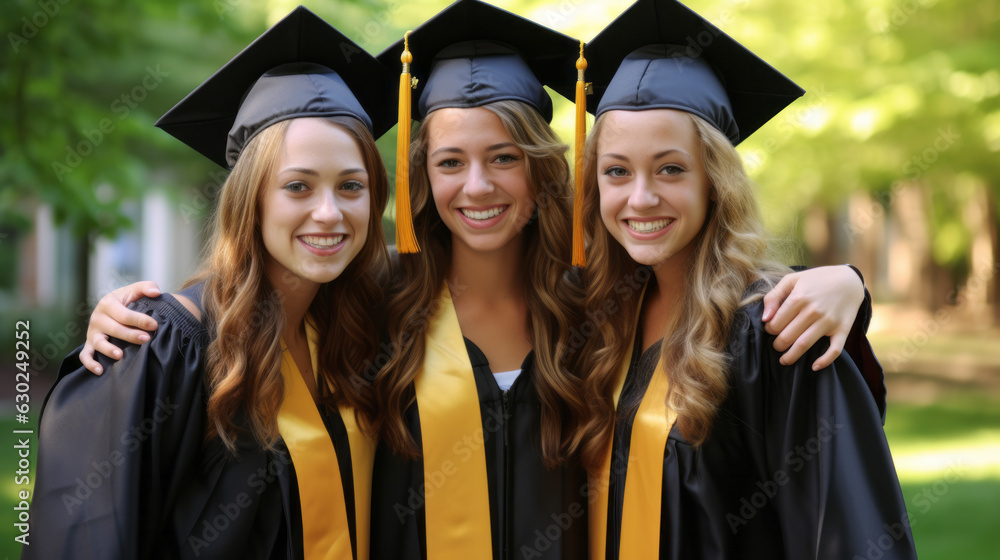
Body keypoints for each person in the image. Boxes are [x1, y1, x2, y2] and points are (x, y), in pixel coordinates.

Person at [24, 7, 394, 560]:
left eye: (350, 186)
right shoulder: (162, 345)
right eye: (297, 186)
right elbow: (85, 535)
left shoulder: (357, 332)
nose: (329, 212)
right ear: (252, 200)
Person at [576, 1, 916, 559]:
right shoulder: (601, 320)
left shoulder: (774, 331)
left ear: (716, 181)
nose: (640, 198)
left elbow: (849, 529)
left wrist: (848, 284)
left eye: (670, 169)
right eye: (616, 170)